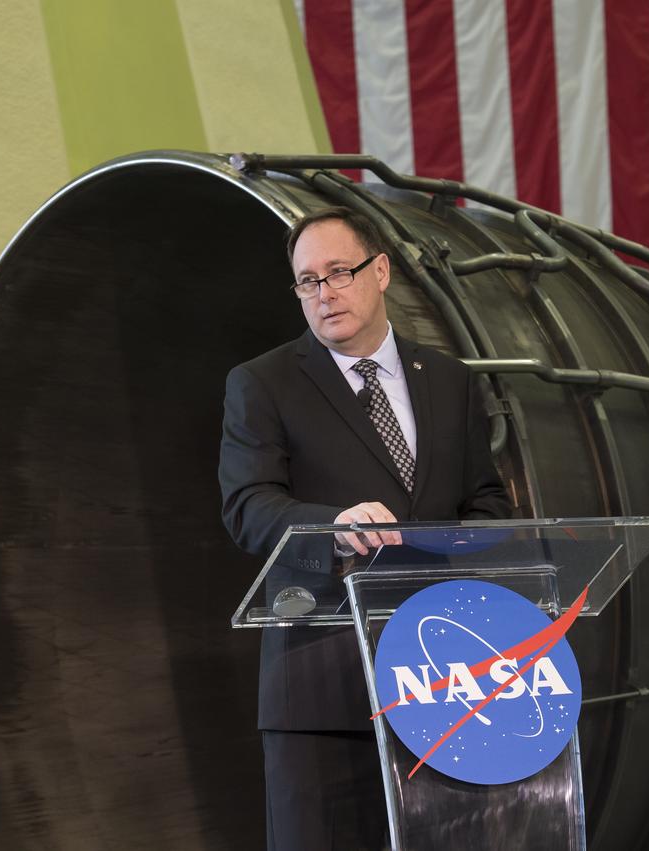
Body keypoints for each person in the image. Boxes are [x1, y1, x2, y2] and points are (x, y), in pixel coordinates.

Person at [219, 206, 510, 850]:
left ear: (380, 272)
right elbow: (249, 506)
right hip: (322, 685)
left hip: (443, 679)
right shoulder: (263, 384)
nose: (324, 294)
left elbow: (486, 502)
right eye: (307, 281)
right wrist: (332, 526)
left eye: (338, 272)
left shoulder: (450, 381)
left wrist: (460, 555)